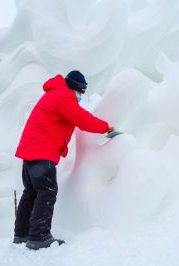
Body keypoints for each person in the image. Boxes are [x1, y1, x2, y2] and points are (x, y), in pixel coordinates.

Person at [13, 70, 114, 250]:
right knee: (47, 191)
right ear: (75, 88)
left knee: (31, 192)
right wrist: (106, 127)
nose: (80, 96)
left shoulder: (53, 94)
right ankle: (39, 236)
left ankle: (21, 234)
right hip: (42, 152)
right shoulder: (64, 97)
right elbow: (83, 120)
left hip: (30, 152)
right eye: (81, 92)